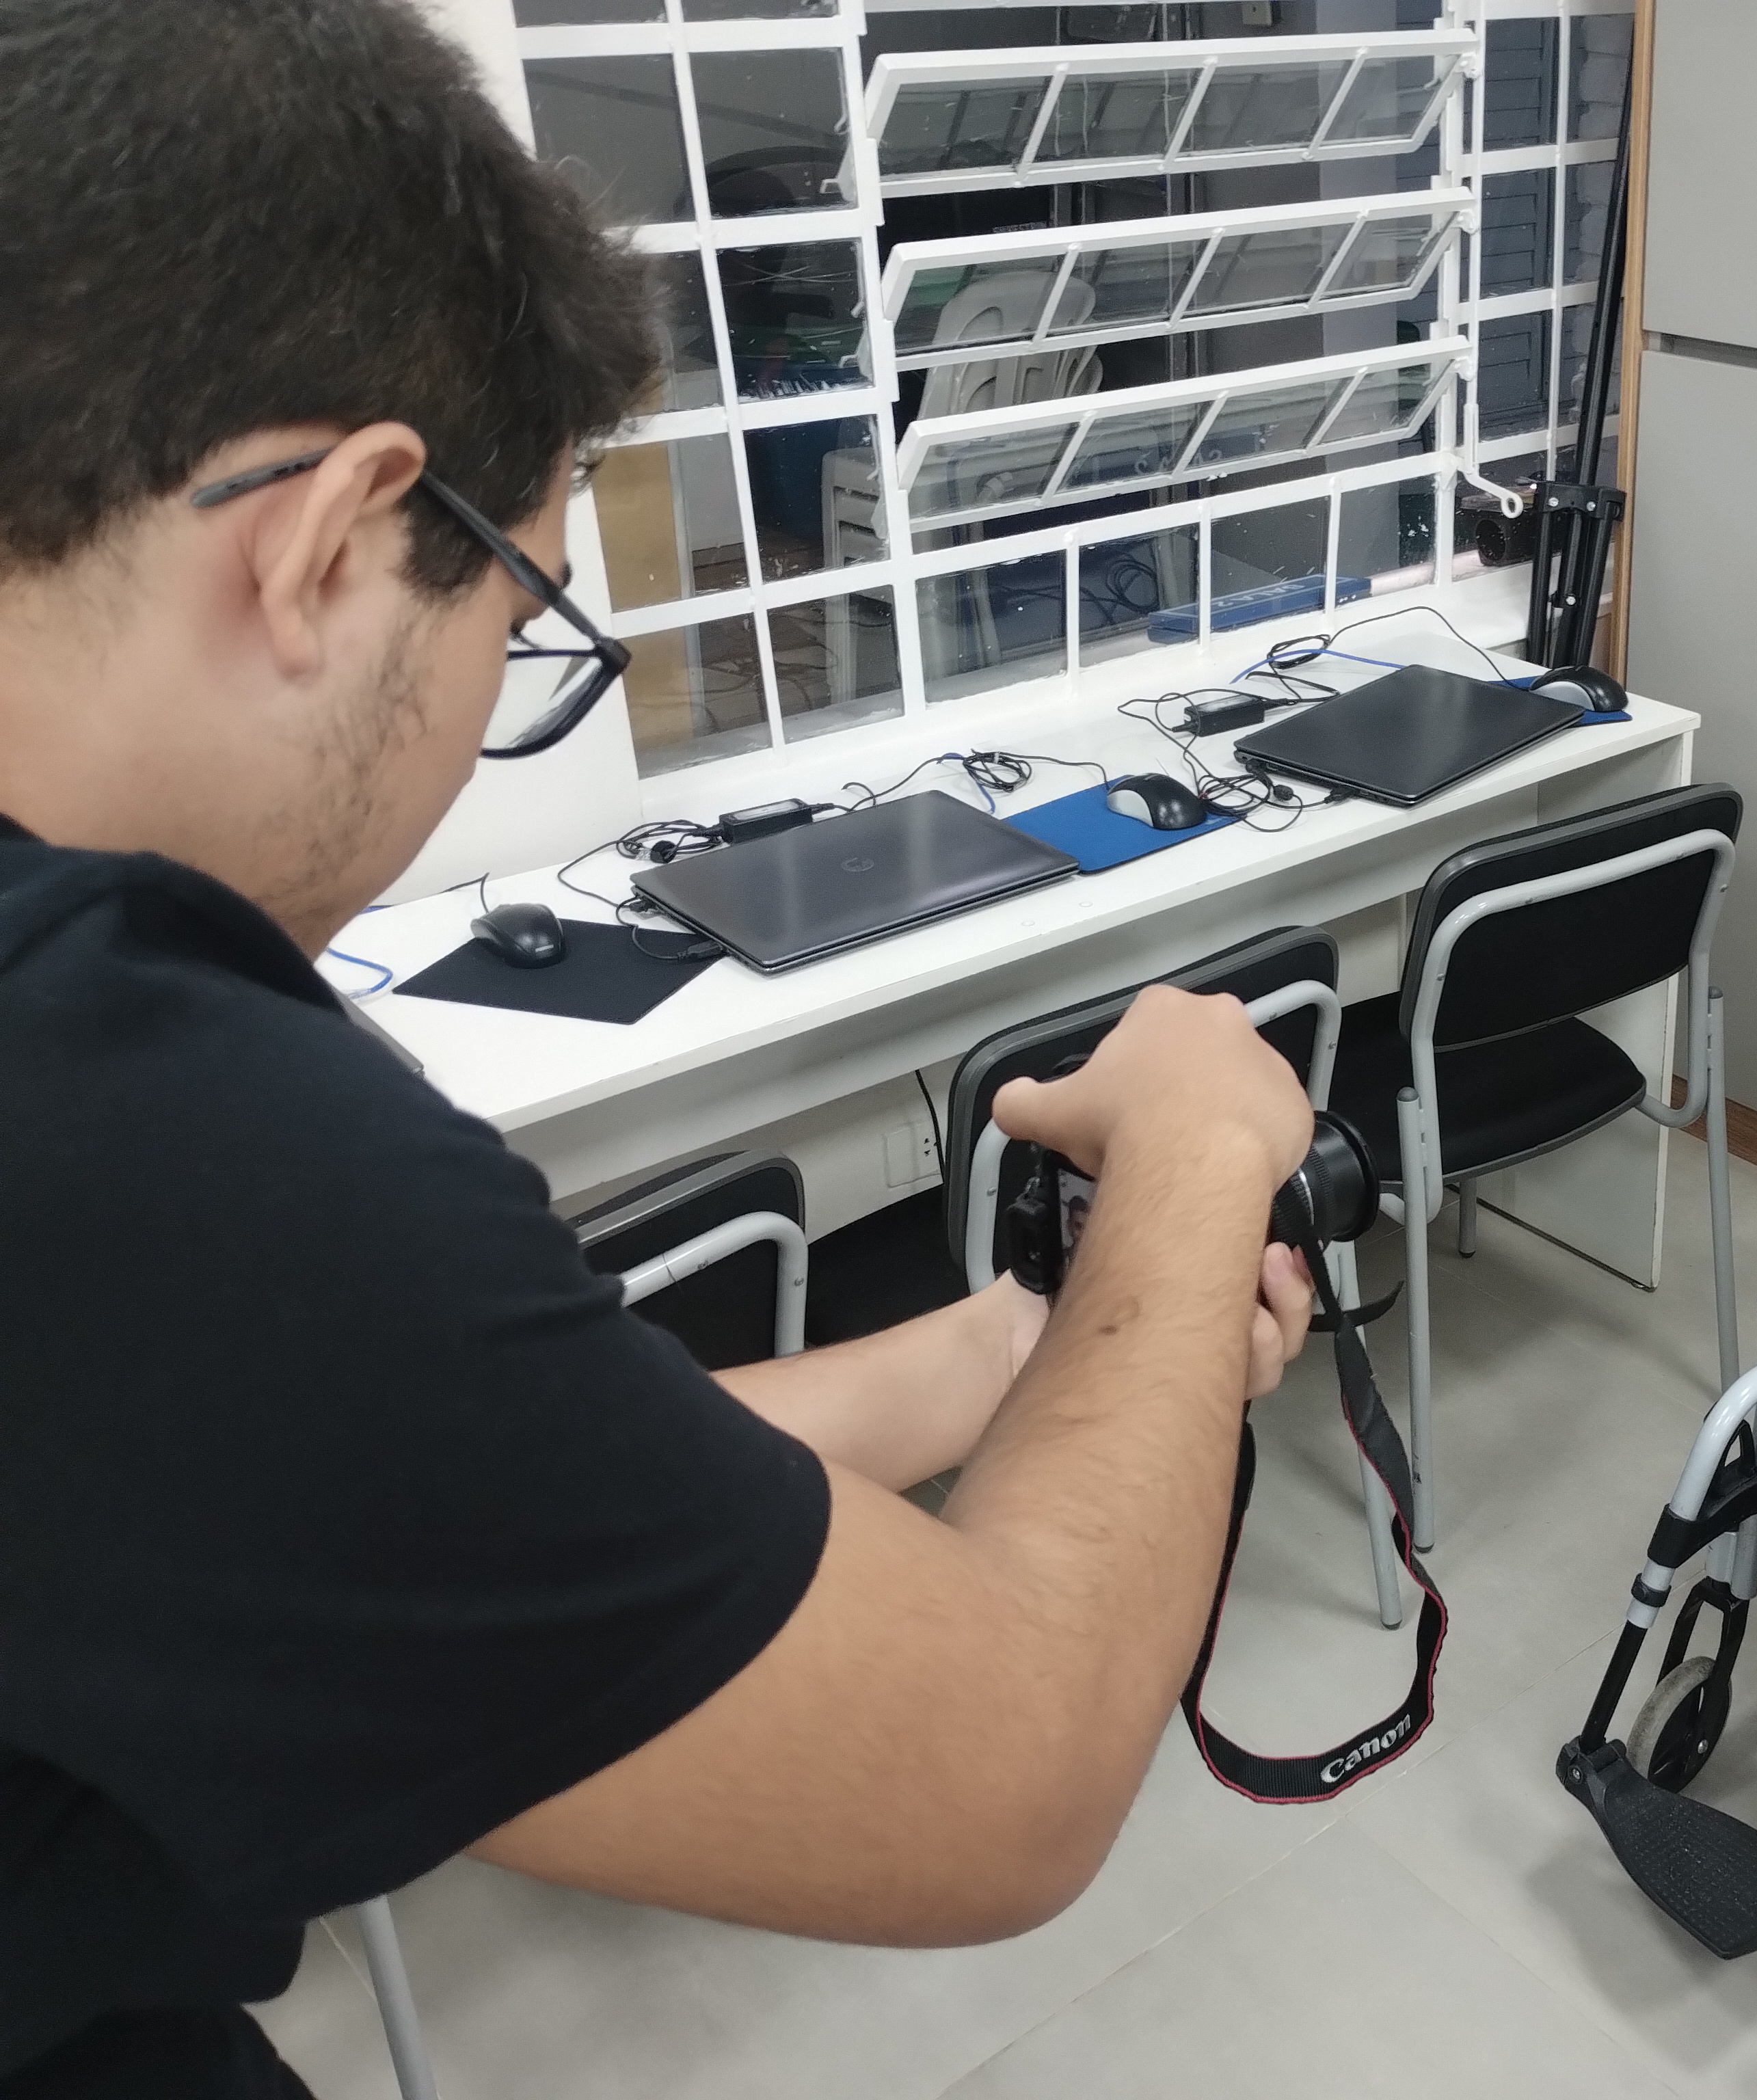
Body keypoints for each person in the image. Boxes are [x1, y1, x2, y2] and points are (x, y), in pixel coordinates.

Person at [0, 5, 1320, 2094]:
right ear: (333, 538)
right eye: (516, 640)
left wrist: (1020, 1356)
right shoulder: (128, 1112)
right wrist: (1198, 1146)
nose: (475, 730)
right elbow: (1012, 1769)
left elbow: (478, 1490)